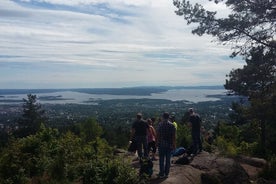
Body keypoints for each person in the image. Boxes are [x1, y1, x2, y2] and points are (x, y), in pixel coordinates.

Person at [156, 112, 176, 178]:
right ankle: (166, 173)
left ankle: (161, 174)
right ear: (168, 117)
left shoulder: (160, 124)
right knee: (168, 160)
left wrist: (157, 142)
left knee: (161, 159)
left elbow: (158, 134)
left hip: (161, 144)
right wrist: (174, 145)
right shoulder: (172, 125)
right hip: (169, 144)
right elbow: (173, 136)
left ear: (163, 117)